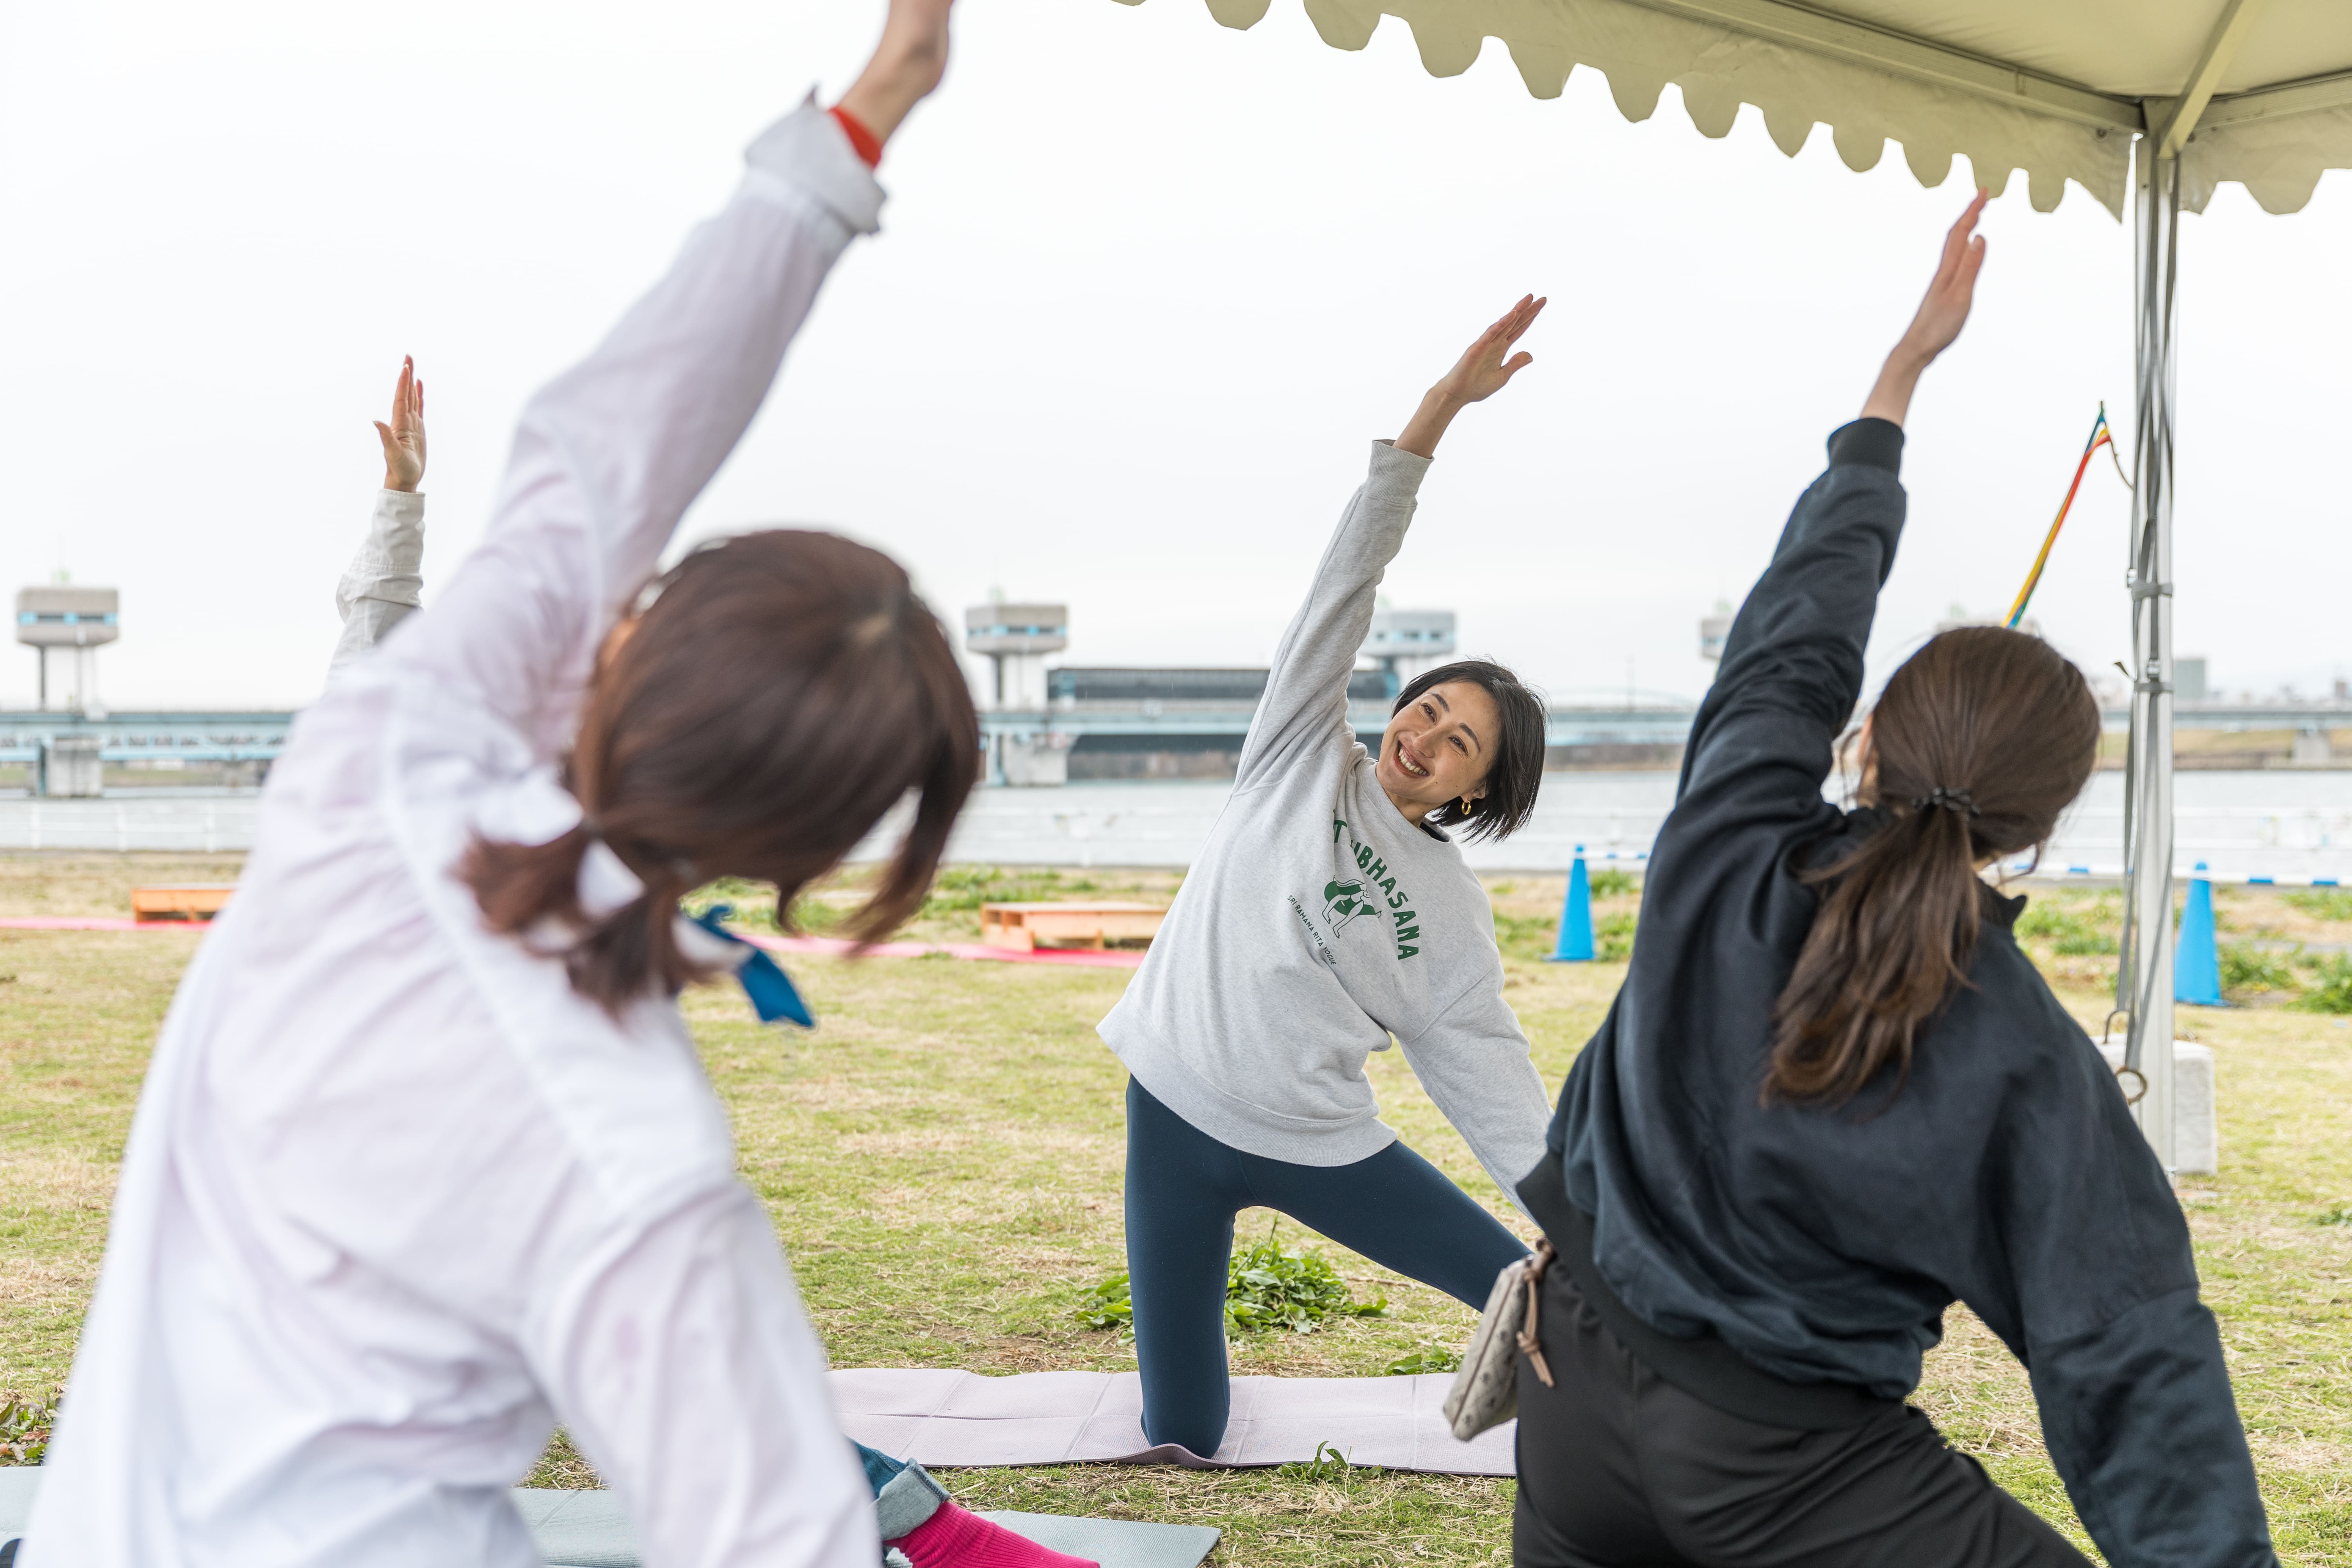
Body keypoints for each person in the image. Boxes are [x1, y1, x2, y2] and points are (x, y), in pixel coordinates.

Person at [19, 6, 1081, 1566]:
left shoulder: (372, 778)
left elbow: (598, 459)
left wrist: (863, 118)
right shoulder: (639, 1151)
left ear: (633, 631)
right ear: (793, 865)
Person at [1513, 194, 2277, 1567]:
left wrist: (1898, 382)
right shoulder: (2021, 1044)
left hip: (1565, 1393)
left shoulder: (1726, 835)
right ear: (2035, 829)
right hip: (1782, 1473)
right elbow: (2133, 1351)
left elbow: (1797, 623)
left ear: (1864, 737)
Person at [319, 357, 1085, 1568]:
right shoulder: (426, 778)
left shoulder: (464, 833)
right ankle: (929, 1530)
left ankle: (928, 1529)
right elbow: (384, 646)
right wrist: (402, 507)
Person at [1097, 300, 1559, 1459]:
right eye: (1429, 709)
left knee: (1537, 1289)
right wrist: (1437, 416)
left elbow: (1481, 1059)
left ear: (1470, 791)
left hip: (1317, 1139)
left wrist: (1580, 1217)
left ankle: (1642, 1422)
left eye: (1459, 744)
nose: (1426, 737)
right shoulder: (1301, 748)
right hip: (1174, 1114)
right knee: (1185, 1433)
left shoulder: (1446, 905)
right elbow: (1344, 582)